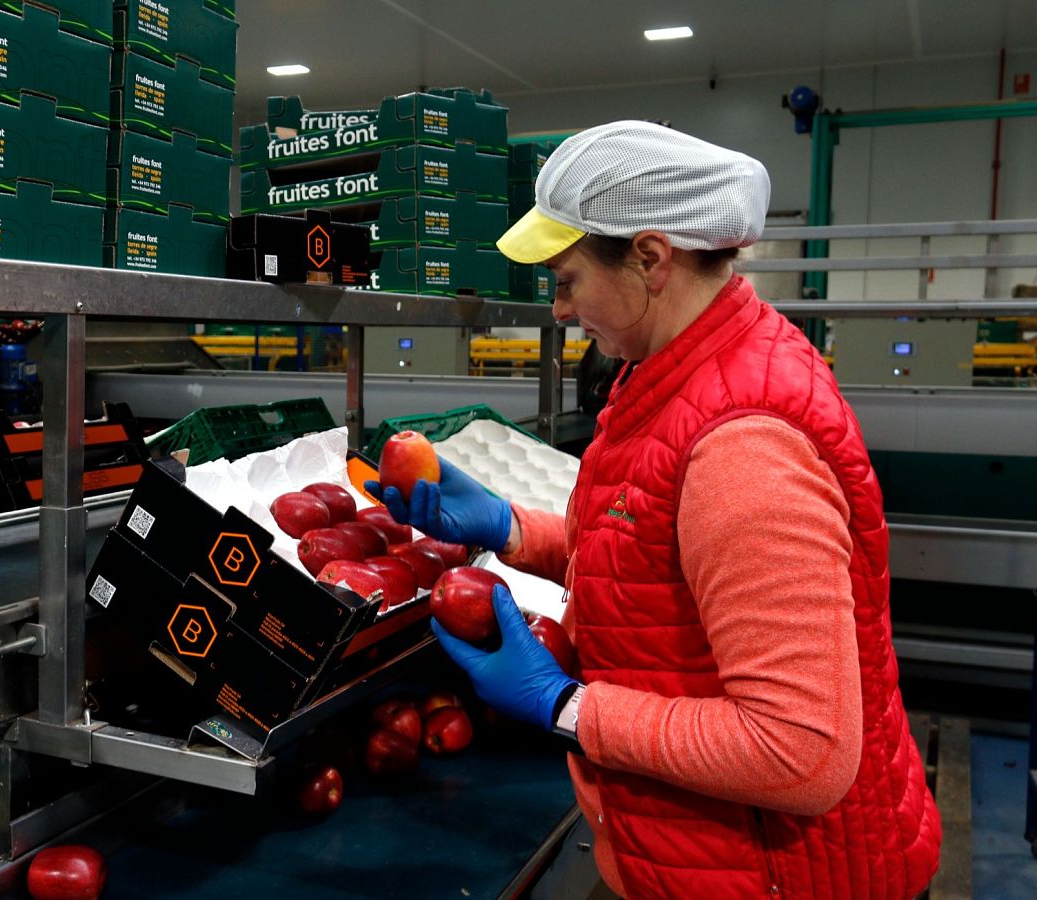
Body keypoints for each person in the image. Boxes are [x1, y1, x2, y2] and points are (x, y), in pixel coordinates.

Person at [367, 122, 940, 899]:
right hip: (697, 860)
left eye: (566, 279)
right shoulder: (673, 374)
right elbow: (663, 568)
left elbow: (800, 752)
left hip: (776, 877)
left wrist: (567, 706)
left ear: (650, 258)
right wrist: (510, 528)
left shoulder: (744, 448)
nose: (561, 310)